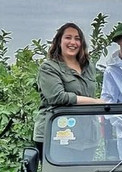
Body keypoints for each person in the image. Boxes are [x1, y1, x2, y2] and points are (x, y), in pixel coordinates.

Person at [32, 23, 101, 155]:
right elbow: (58, 97)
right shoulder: (48, 67)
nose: (73, 42)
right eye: (68, 37)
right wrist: (95, 101)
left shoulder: (88, 66)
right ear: (59, 41)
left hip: (87, 138)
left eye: (77, 38)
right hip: (56, 135)